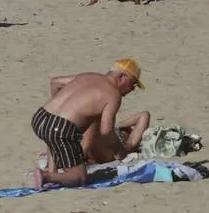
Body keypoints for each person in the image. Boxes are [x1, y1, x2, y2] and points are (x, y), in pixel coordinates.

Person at [32, 59, 145, 188]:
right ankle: (46, 176)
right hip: (60, 128)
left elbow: (55, 82)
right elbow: (106, 131)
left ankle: (51, 169)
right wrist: (120, 152)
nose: (132, 89)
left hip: (40, 117)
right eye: (133, 83)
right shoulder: (113, 94)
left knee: (54, 135)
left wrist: (59, 108)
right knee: (79, 178)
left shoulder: (90, 76)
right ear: (121, 77)